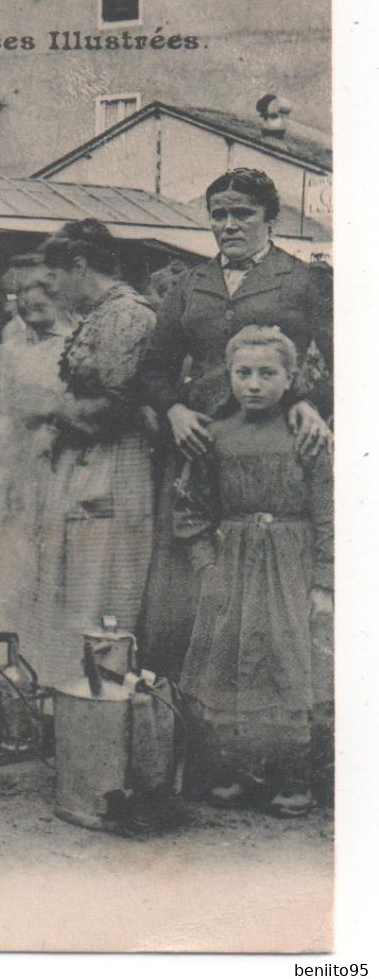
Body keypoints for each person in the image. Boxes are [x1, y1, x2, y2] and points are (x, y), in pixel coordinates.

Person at [137, 168, 333, 676]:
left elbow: (346, 359)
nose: (229, 224)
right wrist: (174, 410)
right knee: (186, 582)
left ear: (270, 217)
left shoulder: (303, 281)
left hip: (273, 453)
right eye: (218, 215)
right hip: (199, 445)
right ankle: (181, 699)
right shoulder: (190, 284)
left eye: (242, 213)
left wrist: (310, 402)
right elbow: (153, 367)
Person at [174, 326, 332, 817]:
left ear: (291, 379)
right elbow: (191, 508)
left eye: (268, 374)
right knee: (229, 660)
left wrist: (325, 580)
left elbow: (331, 510)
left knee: (287, 661)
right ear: (230, 376)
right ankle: (234, 770)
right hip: (234, 560)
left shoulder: (307, 435)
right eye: (243, 373)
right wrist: (206, 566)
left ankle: (291, 776)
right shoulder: (215, 435)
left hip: (291, 559)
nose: (254, 384)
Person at [16, 219, 157, 689]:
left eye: (54, 278)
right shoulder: (100, 314)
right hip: (87, 462)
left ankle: (96, 702)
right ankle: (71, 699)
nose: (51, 290)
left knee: (102, 581)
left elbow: (118, 405)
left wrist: (53, 412)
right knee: (75, 580)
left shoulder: (128, 316)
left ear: (79, 267)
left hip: (113, 466)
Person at [0, 255, 76, 639]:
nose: (30, 299)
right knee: (7, 565)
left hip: (57, 469)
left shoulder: (75, 350)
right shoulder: (6, 352)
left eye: (42, 290)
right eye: (20, 292)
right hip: (10, 470)